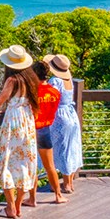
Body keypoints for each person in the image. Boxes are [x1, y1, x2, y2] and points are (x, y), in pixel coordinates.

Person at [0, 45, 40, 218]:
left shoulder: (12, 81)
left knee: (7, 163)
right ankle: (18, 205)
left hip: (13, 123)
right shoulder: (31, 79)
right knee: (24, 164)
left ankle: (10, 206)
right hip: (27, 121)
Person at [43, 54, 83, 194]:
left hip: (60, 116)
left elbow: (49, 97)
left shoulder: (55, 81)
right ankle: (70, 182)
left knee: (62, 149)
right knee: (71, 148)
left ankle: (65, 184)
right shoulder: (69, 81)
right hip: (71, 115)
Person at [32, 67, 67, 205]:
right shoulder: (55, 92)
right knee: (50, 165)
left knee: (32, 166)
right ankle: (58, 194)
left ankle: (32, 198)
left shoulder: (33, 93)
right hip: (46, 129)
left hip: (33, 130)